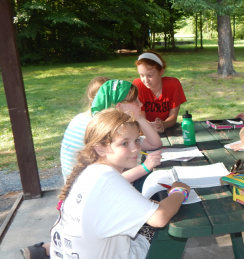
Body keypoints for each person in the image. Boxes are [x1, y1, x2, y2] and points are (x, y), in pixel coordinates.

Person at [20, 78, 163, 259]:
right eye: (135, 100)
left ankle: (46, 250)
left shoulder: (97, 125)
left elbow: (154, 143)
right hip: (89, 203)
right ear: (119, 106)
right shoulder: (104, 132)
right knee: (150, 221)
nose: (141, 103)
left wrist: (139, 117)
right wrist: (145, 167)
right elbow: (114, 184)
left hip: (77, 203)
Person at [50, 109, 190, 259]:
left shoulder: (89, 171)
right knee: (166, 228)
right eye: (124, 143)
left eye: (137, 140)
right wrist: (179, 192)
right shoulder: (108, 178)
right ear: (100, 148)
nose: (136, 148)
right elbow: (159, 218)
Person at [133, 51, 187, 133]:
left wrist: (163, 124)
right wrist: (150, 126)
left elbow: (173, 117)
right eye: (142, 75)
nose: (146, 80)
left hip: (167, 129)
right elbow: (140, 117)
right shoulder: (138, 85)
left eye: (150, 75)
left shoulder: (173, 84)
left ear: (161, 72)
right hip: (144, 129)